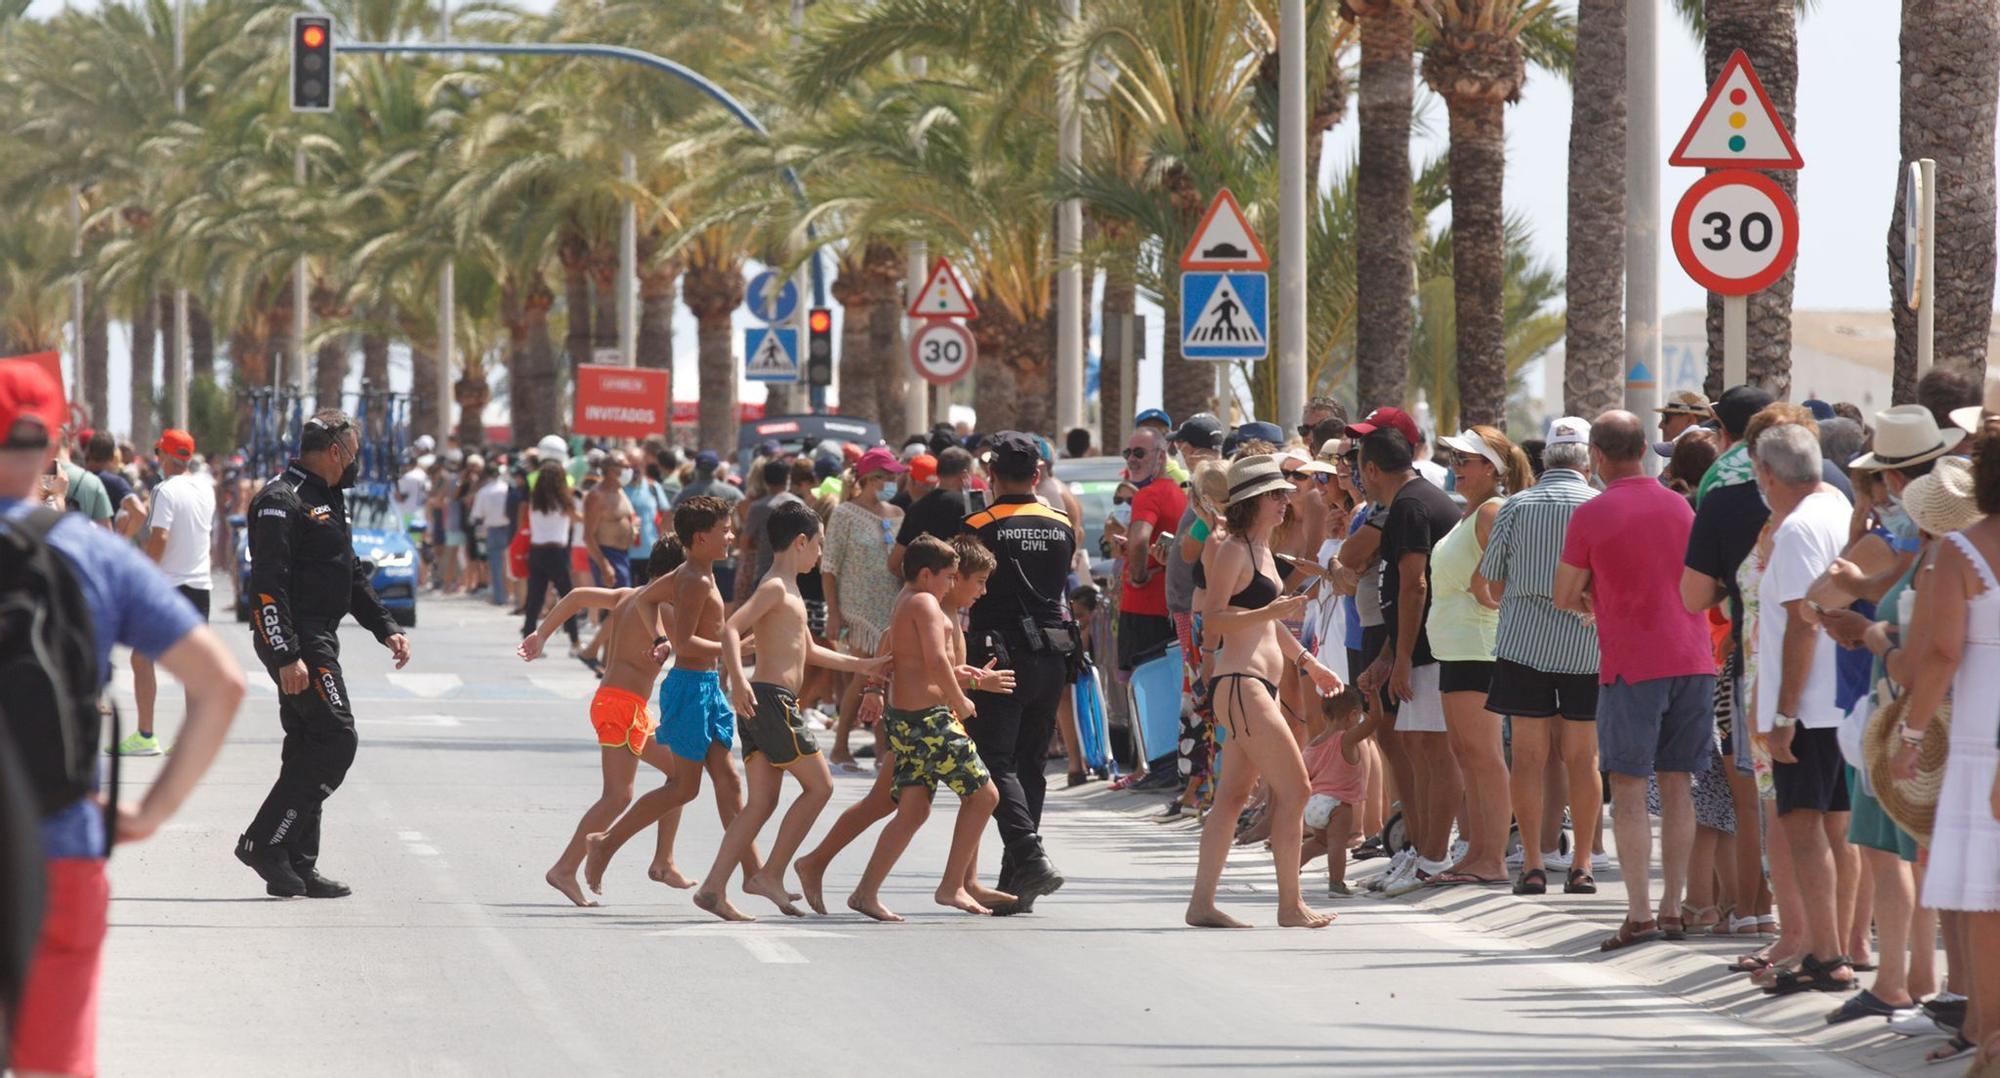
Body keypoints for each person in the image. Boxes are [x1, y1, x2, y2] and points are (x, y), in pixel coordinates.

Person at [0, 361, 246, 1078]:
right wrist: (147, 812)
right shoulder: (91, 552)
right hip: (63, 842)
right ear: (55, 446)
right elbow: (220, 684)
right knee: (52, 1064)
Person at [1557, 411, 1717, 952]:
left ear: (1596, 456)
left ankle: (1641, 914)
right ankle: (1672, 909)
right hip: (1694, 659)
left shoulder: (1594, 513)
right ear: (1646, 448)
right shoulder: (1680, 505)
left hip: (1632, 663)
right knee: (1678, 785)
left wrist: (1596, 598)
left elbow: (1562, 593)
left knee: (1627, 786)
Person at [793, 535, 1016, 915]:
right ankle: (954, 884)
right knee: (980, 795)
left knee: (911, 808)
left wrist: (974, 679)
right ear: (943, 576)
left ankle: (860, 884)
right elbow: (915, 656)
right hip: (926, 721)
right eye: (972, 580)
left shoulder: (929, 605)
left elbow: (931, 664)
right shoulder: (928, 605)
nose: (981, 590)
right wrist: (875, 688)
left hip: (918, 718)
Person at [239, 410, 412, 898]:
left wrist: (386, 627)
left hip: (320, 634)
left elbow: (349, 573)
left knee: (307, 743)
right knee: (337, 738)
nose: (356, 464)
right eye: (354, 454)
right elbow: (268, 587)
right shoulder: (281, 500)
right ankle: (263, 842)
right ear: (335, 452)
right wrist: (285, 653)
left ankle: (296, 862)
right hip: (299, 638)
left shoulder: (330, 499)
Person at [699, 502, 891, 920]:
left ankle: (714, 886)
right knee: (820, 787)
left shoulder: (790, 588)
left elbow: (812, 650)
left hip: (767, 703)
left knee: (762, 802)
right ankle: (771, 873)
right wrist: (739, 679)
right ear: (800, 542)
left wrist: (863, 665)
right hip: (769, 701)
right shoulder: (773, 588)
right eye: (819, 544)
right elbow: (732, 628)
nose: (821, 553)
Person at [579, 497, 770, 895]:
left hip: (707, 689)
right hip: (689, 689)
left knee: (730, 782)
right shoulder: (695, 579)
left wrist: (659, 637)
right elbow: (686, 643)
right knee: (684, 787)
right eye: (725, 530)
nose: (732, 537)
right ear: (701, 538)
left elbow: (646, 598)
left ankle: (757, 877)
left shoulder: (699, 571)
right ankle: (605, 843)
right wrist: (731, 650)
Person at [1186, 454, 1344, 929]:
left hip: (1256, 685)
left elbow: (1269, 621)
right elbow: (1212, 619)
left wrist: (1309, 663)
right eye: (1277, 494)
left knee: (1232, 798)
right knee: (1295, 789)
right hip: (1241, 684)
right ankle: (1289, 905)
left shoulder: (1258, 551)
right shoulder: (1233, 549)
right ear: (1254, 500)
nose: (1287, 501)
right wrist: (1273, 610)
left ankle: (1201, 904)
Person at [1734, 423, 1859, 989]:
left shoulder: (1796, 529)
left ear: (1766, 473)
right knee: (1834, 828)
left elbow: (1800, 628)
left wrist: (1782, 716)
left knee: (1803, 828)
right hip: (1836, 701)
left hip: (1808, 707)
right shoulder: (1835, 507)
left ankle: (1826, 954)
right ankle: (1836, 948)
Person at [1897, 431, 2000, 1070]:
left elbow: (1939, 652)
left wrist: (1910, 736)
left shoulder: (1962, 551)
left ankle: (1989, 1038)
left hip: (1983, 733)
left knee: (1987, 900)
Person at [517, 539, 694, 906]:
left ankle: (664, 860)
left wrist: (542, 633)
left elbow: (578, 595)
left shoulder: (629, 595)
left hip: (626, 707)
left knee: (681, 774)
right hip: (620, 707)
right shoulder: (663, 608)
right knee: (618, 795)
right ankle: (565, 869)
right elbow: (693, 650)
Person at [1475, 417, 1601, 897]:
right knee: (1581, 758)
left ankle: (1530, 863)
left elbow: (1494, 581)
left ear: (1546, 458)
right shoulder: (1598, 505)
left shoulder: (1516, 506)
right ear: (1587, 460)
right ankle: (1582, 863)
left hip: (1524, 644)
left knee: (1527, 757)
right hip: (1585, 646)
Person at [961, 432, 1080, 910]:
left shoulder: (978, 524)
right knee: (1031, 764)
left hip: (999, 655)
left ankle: (1028, 856)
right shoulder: (1061, 523)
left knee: (994, 760)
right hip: (1053, 652)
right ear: (1037, 475)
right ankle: (1017, 879)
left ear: (991, 476)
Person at [1426, 426, 1534, 885]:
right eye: (1454, 459)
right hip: (1456, 648)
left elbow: (1508, 579)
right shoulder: (1469, 512)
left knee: (1484, 754)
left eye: (1465, 460)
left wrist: (1485, 594)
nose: (1456, 467)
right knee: (1465, 753)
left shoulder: (1492, 510)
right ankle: (1477, 850)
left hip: (1479, 648)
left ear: (1490, 468)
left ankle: (1492, 856)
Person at [1356, 427, 1461, 896]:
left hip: (1432, 648)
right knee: (1417, 747)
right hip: (1415, 647)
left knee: (1434, 752)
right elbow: (1397, 593)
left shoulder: (1411, 506)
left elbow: (1415, 585)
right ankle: (1420, 850)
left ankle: (1434, 856)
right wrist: (1386, 657)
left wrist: (1400, 659)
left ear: (1371, 469)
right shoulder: (1409, 502)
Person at [118, 429, 216, 757]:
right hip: (200, 586)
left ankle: (146, 735)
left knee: (141, 657)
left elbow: (159, 537)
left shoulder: (164, 490)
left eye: (159, 452)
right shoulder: (205, 489)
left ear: (164, 455)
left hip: (170, 585)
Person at [1117, 428, 1187, 681]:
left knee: (1138, 689)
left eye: (1139, 452)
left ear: (1160, 456)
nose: (1131, 459)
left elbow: (1139, 540)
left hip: (1143, 608)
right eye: (1128, 453)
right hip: (1170, 609)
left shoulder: (1148, 494)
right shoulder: (1180, 493)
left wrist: (1138, 576)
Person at [1299, 687, 1368, 898]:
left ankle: (1290, 869)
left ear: (1324, 715)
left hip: (1313, 805)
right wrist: (1374, 697)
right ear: (1354, 715)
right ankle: (1337, 883)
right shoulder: (1346, 739)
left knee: (1319, 842)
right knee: (1338, 844)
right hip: (1337, 803)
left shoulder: (1313, 744)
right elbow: (1375, 722)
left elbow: (1305, 777)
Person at [520, 461, 584, 650]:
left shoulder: (534, 500)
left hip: (537, 551)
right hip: (557, 552)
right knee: (568, 598)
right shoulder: (564, 501)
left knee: (534, 599)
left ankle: (527, 639)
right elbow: (578, 518)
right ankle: (574, 640)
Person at [890, 446, 975, 574]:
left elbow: (894, 564)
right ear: (964, 475)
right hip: (962, 586)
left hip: (926, 586)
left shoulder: (916, 508)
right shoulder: (971, 506)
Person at [583, 455, 638, 591]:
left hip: (624, 555)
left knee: (623, 606)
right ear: (612, 470)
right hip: (607, 555)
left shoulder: (619, 490)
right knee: (616, 606)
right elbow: (588, 536)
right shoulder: (597, 496)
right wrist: (604, 566)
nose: (629, 470)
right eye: (625, 467)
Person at [82, 432, 144, 539]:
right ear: (112, 457)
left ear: (88, 453)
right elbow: (140, 512)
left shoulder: (75, 478)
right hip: (102, 546)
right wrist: (122, 540)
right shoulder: (115, 483)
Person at [474, 458, 514, 606]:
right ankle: (512, 594)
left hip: (492, 529)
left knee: (496, 565)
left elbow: (478, 514)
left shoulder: (484, 492)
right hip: (508, 528)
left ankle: (499, 597)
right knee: (509, 564)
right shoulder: (507, 489)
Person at [625, 448, 667, 586]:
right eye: (631, 465)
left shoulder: (653, 487)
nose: (635, 469)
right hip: (624, 552)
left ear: (644, 465)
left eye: (638, 464)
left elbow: (665, 515)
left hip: (649, 553)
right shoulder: (619, 488)